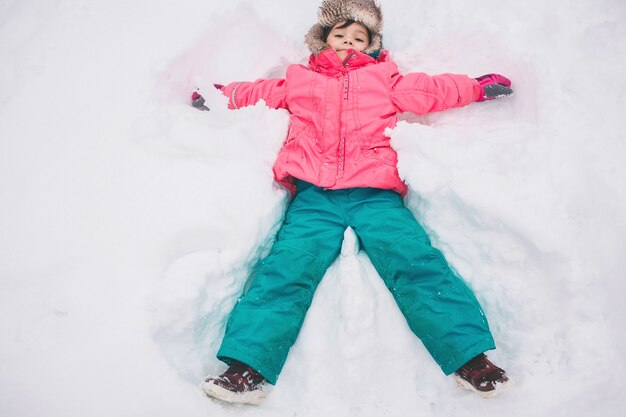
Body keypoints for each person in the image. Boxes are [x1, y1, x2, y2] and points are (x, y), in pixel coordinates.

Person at [197, 0, 514, 405]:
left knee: (416, 263)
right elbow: (254, 94)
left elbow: (431, 91)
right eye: (340, 37)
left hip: (375, 195)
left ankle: (471, 359)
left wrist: (477, 87)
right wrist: (215, 95)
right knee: (285, 269)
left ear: (373, 46)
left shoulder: (386, 79)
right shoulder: (300, 81)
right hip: (314, 198)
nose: (348, 44)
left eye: (358, 39)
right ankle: (247, 370)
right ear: (322, 41)